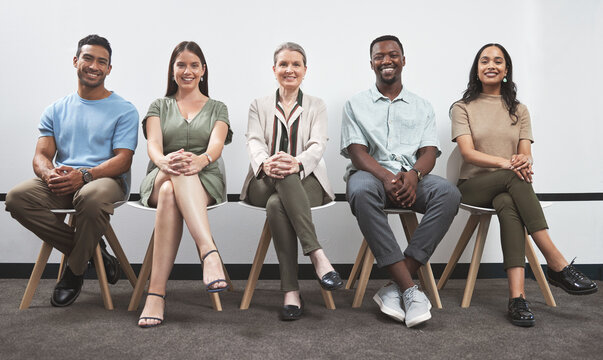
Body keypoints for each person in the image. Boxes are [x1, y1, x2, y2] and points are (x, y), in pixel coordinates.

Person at [450, 43, 597, 327]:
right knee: (511, 177)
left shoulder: (519, 109)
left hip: (508, 186)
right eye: (484, 61)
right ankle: (556, 262)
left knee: (508, 202)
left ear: (506, 70)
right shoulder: (462, 107)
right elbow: (468, 154)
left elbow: (526, 153)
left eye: (498, 61)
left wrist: (522, 159)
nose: (491, 65)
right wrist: (508, 164)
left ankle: (517, 299)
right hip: (472, 186)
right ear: (477, 69)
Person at [5, 35, 138, 307]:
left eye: (102, 62)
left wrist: (86, 175)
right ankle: (92, 252)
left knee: (88, 197)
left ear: (109, 69)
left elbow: (123, 160)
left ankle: (75, 271)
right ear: (76, 61)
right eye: (88, 58)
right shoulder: (55, 109)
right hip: (66, 181)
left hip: (105, 180)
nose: (94, 65)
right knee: (17, 198)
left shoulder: (124, 110)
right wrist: (49, 174)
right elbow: (42, 155)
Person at [341, 35, 461, 328]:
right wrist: (386, 176)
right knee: (359, 190)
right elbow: (357, 152)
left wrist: (414, 176)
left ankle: (395, 285)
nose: (386, 61)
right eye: (379, 56)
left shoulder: (422, 106)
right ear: (371, 63)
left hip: (413, 178)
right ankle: (410, 288)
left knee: (449, 194)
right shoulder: (355, 104)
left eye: (392, 55)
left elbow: (429, 152)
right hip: (371, 176)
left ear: (403, 60)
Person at [241, 42, 342, 321]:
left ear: (305, 70)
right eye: (283, 64)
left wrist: (296, 163)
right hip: (263, 181)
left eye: (296, 64)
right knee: (279, 181)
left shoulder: (316, 105)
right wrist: (266, 163)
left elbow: (317, 145)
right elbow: (253, 141)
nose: (289, 69)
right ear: (274, 70)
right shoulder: (258, 105)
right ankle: (318, 256)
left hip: (306, 180)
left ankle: (291, 292)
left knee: (277, 204)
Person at [136, 41, 232, 328]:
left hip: (205, 177)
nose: (187, 71)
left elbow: (216, 146)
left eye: (193, 65)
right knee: (173, 175)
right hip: (161, 173)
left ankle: (155, 295)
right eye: (181, 65)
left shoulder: (218, 107)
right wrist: (165, 162)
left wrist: (200, 161)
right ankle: (208, 252)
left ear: (203, 70)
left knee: (171, 191)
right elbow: (153, 145)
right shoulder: (159, 105)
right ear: (172, 70)